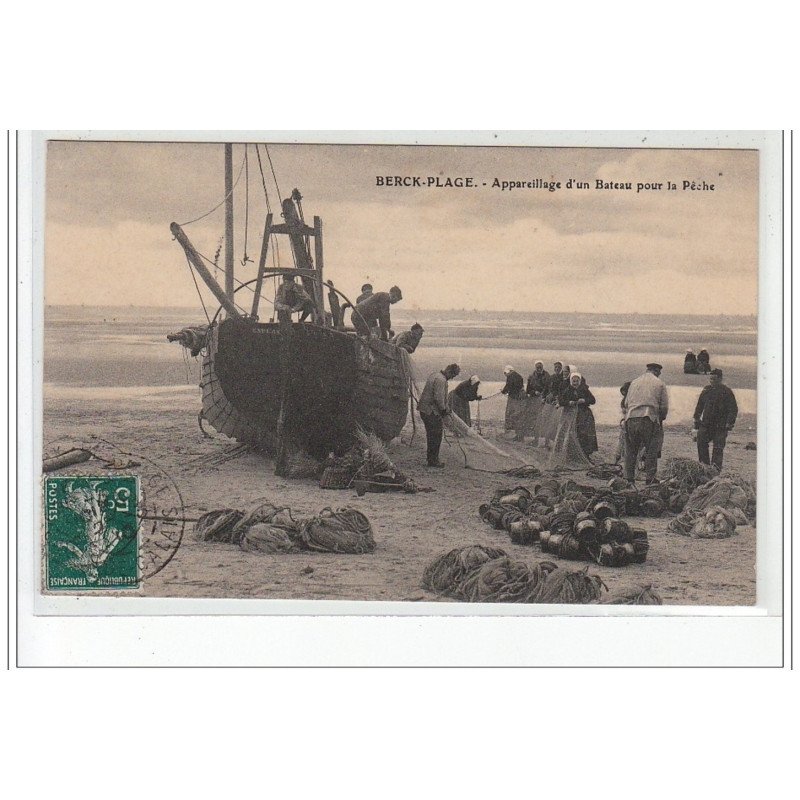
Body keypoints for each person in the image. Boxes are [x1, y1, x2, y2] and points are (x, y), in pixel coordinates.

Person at [623, 362, 669, 485]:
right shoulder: (659, 383)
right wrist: (661, 418)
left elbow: (626, 403)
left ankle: (629, 478)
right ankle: (650, 479)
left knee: (631, 450)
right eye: (659, 373)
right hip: (649, 418)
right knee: (651, 450)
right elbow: (664, 406)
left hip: (631, 418)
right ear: (656, 371)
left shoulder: (634, 382)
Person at [692, 368, 738, 470]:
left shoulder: (727, 392)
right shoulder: (706, 390)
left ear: (720, 379)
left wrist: (729, 423)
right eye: (711, 379)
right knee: (701, 442)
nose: (712, 381)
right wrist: (696, 420)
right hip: (706, 424)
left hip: (720, 426)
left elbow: (733, 409)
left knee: (718, 448)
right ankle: (704, 466)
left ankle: (715, 470)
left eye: (714, 379)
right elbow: (699, 406)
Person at [418, 363, 460, 467]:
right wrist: (444, 411)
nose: (451, 378)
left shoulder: (434, 375)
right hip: (430, 412)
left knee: (431, 435)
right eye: (452, 375)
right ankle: (433, 460)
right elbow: (439, 398)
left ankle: (431, 459)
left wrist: (446, 409)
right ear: (449, 371)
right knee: (436, 436)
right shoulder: (441, 380)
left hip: (424, 410)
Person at [558, 372, 598, 457]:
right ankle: (572, 454)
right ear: (571, 381)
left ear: (579, 381)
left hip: (584, 414)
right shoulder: (567, 390)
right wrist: (568, 402)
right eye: (573, 381)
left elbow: (593, 400)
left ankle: (586, 454)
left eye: (577, 381)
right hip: (571, 414)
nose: (575, 383)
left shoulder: (584, 390)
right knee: (572, 433)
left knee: (585, 433)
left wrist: (584, 400)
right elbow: (561, 401)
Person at [501, 365, 526, 441]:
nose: (506, 375)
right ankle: (519, 435)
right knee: (518, 416)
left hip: (515, 399)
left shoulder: (511, 377)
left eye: (506, 373)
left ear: (510, 371)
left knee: (513, 415)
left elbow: (508, 386)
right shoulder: (518, 376)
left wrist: (503, 391)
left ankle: (515, 435)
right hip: (519, 399)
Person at [614, 381, 632, 464]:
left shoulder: (625, 400)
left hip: (627, 422)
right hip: (627, 422)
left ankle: (619, 459)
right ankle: (619, 458)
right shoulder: (627, 400)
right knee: (623, 441)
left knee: (622, 441)